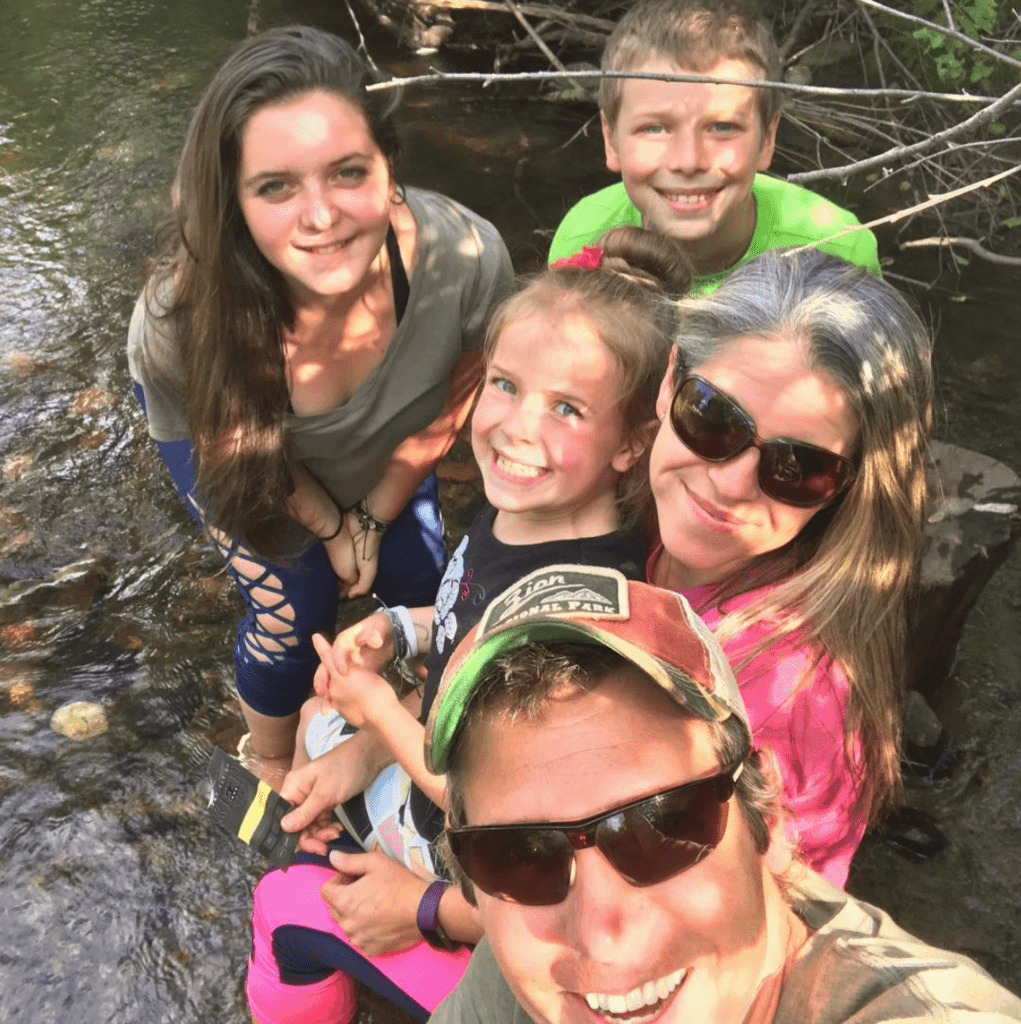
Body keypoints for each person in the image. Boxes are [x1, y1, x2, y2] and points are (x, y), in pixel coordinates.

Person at [245, 228, 691, 1023]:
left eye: (566, 407)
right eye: (505, 384)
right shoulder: (529, 508)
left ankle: (346, 925)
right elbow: (470, 615)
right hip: (445, 776)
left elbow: (486, 801)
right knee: (318, 724)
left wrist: (377, 710)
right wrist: (408, 631)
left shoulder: (576, 612)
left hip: (471, 857)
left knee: (282, 895)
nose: (517, 428)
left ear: (632, 443)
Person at [126, 26, 513, 780]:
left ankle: (393, 732)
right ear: (232, 202)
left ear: (388, 167)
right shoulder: (180, 320)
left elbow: (457, 393)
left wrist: (373, 514)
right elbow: (237, 442)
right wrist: (332, 525)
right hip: (244, 450)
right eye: (275, 186)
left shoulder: (465, 260)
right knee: (292, 609)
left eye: (346, 172)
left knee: (424, 587)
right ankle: (269, 763)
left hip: (394, 449)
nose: (320, 217)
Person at [424, 566, 1021, 1024]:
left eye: (661, 825)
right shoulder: (522, 970)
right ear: (475, 883)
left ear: (770, 818)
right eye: (522, 854)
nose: (604, 934)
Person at [646, 247, 933, 885]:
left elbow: (682, 917)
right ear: (671, 378)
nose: (729, 483)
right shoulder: (629, 512)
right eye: (713, 418)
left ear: (849, 490)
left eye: (798, 468)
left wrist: (432, 906)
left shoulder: (778, 701)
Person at [547, 0, 882, 293]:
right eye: (654, 128)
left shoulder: (838, 251)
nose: (689, 161)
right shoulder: (584, 237)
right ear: (611, 139)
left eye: (722, 127)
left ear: (767, 138)